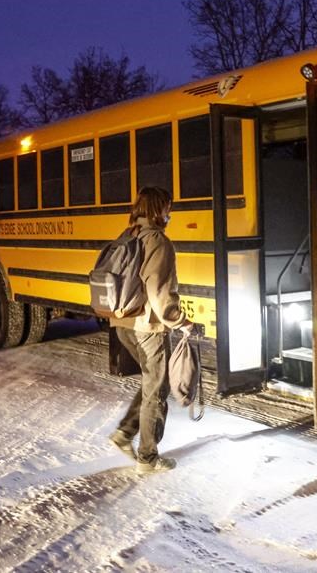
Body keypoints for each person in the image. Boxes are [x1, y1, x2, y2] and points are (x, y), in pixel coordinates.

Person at [108, 186, 193, 475]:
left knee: (150, 383)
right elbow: (158, 290)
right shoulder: (158, 241)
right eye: (168, 208)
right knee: (157, 389)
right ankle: (148, 457)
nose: (170, 214)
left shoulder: (126, 235)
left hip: (122, 322)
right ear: (160, 209)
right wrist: (178, 320)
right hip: (147, 326)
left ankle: (124, 433)